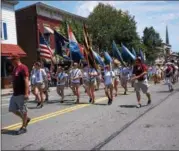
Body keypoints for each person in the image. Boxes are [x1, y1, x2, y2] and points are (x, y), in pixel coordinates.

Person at [8, 54, 31, 135]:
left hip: (21, 93)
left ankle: (24, 127)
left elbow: (26, 80)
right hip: (15, 93)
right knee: (12, 109)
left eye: (12, 60)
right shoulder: (15, 68)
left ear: (16, 59)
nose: (11, 61)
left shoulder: (23, 67)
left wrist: (26, 93)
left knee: (23, 110)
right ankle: (26, 119)